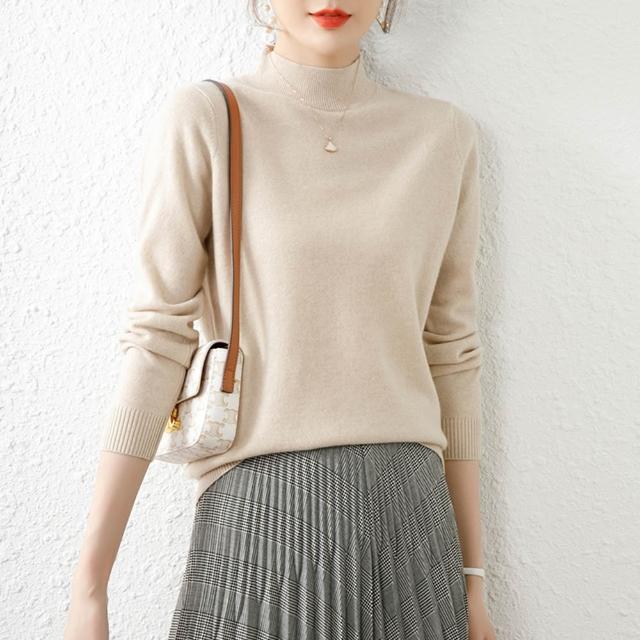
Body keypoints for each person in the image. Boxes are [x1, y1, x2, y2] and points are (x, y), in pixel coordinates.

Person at [64, 1, 497, 638]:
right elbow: (158, 338)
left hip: (410, 524)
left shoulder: (442, 136)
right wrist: (90, 586)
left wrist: (474, 580)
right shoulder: (209, 117)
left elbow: (452, 352)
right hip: (256, 517)